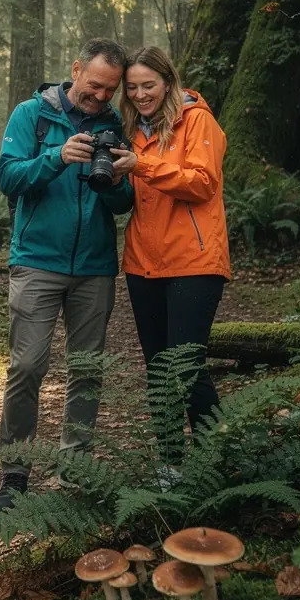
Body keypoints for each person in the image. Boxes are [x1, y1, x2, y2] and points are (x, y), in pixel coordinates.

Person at [0, 38, 136, 512]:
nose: (101, 96)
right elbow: (8, 178)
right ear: (76, 70)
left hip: (94, 266)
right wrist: (55, 158)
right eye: (95, 85)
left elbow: (123, 203)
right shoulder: (32, 115)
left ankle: (76, 470)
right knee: (27, 366)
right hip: (37, 260)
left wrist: (115, 180)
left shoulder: (116, 125)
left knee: (87, 370)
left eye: (110, 90)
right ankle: (15, 471)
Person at [120, 46, 230, 472]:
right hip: (143, 262)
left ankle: (212, 465)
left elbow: (203, 183)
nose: (141, 94)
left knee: (186, 367)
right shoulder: (131, 128)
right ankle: (170, 468)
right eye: (132, 88)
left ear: (168, 82)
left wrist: (141, 165)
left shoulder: (196, 120)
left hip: (194, 261)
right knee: (158, 370)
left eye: (149, 85)